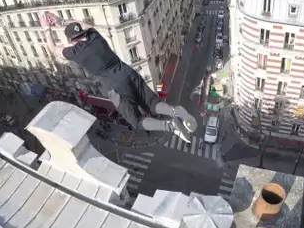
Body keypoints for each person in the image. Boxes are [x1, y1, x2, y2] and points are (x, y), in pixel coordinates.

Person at [40, 12, 197, 142]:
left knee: (138, 122)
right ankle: (177, 111)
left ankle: (170, 126)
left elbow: (53, 49)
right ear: (82, 32)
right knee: (152, 103)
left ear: (70, 40)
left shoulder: (76, 53)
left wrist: (47, 29)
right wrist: (61, 20)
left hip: (115, 88)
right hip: (128, 72)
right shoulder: (95, 36)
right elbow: (85, 25)